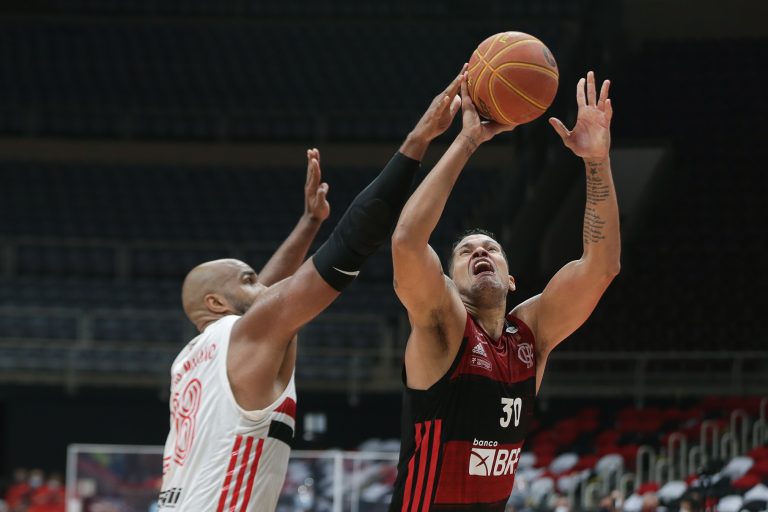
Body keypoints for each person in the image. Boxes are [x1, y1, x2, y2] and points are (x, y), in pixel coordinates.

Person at [158, 67, 470, 511]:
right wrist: (418, 139)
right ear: (216, 302)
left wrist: (308, 223)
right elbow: (349, 245)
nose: (264, 284)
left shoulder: (190, 359)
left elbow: (264, 296)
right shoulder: (244, 335)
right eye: (248, 280)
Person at [389, 71, 620, 511]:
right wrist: (467, 141)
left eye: (491, 249)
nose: (480, 252)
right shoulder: (444, 328)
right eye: (466, 252)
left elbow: (601, 267)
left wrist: (596, 160)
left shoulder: (532, 334)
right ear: (449, 284)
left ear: (511, 279)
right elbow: (406, 242)